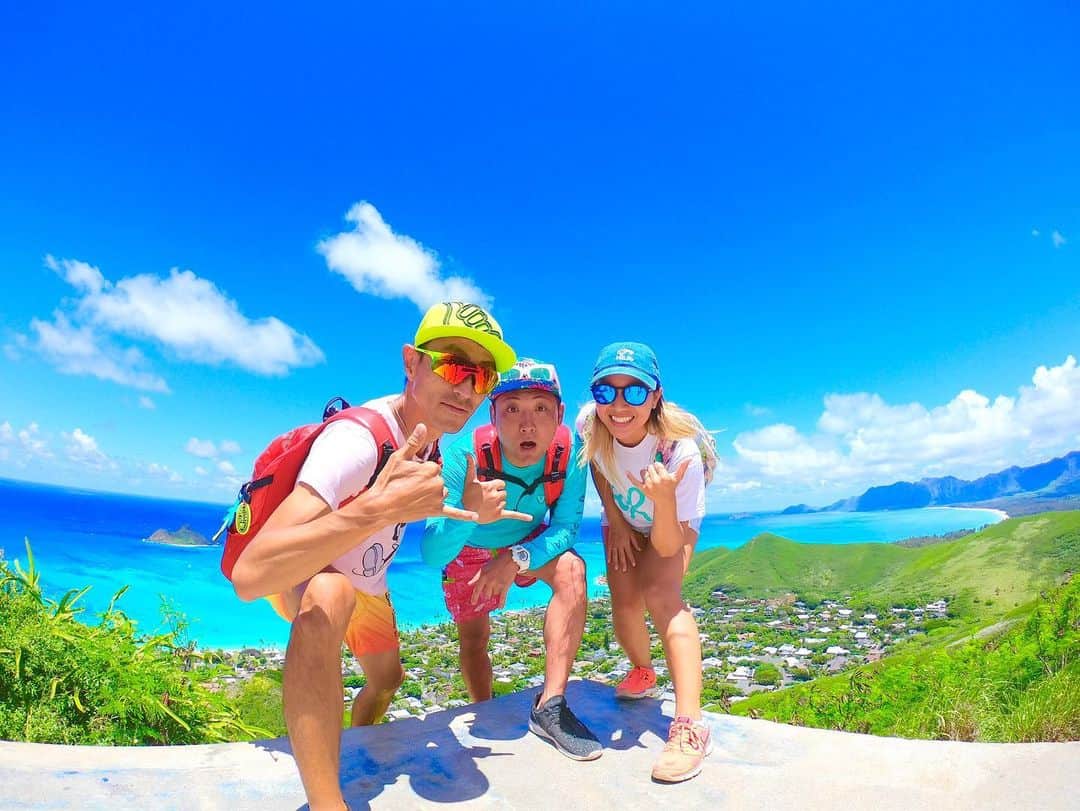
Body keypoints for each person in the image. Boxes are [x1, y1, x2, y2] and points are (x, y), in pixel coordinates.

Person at [229, 301, 517, 811]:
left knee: (387, 681)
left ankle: (354, 749)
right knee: (330, 592)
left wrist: (470, 512)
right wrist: (376, 509)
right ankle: (327, 801)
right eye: (454, 366)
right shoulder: (357, 442)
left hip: (369, 582)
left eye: (483, 377)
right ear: (412, 362)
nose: (467, 389)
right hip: (307, 573)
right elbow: (252, 575)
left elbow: (430, 541)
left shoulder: (434, 442)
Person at [421, 358, 601, 761]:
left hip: (527, 542)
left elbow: (566, 527)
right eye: (512, 409)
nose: (527, 424)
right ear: (493, 416)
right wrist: (471, 513)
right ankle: (483, 708)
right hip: (469, 543)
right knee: (474, 639)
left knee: (573, 569)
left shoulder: (571, 454)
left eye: (541, 408)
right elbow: (433, 553)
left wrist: (515, 558)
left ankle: (550, 707)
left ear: (559, 415)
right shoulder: (465, 456)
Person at [576, 341, 713, 783]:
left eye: (634, 391)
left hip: (671, 519)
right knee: (624, 603)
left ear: (655, 397)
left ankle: (690, 725)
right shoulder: (591, 422)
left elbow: (668, 547)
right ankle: (643, 670)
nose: (618, 405)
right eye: (606, 391)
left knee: (661, 595)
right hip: (624, 516)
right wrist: (615, 518)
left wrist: (664, 500)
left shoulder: (679, 454)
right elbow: (597, 463)